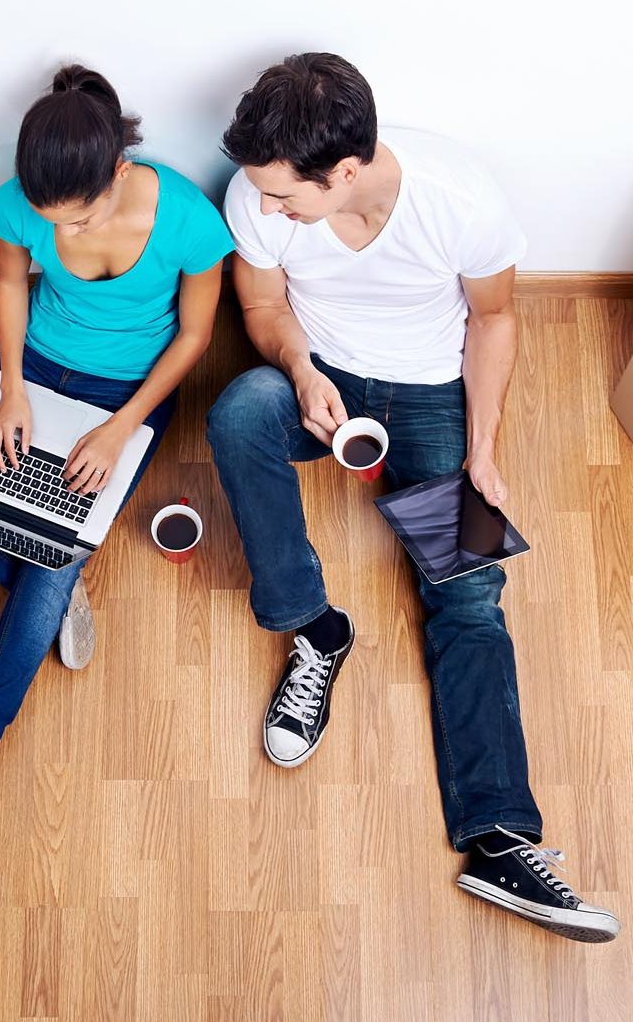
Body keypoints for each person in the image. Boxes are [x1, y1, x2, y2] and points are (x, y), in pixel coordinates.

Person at [207, 52, 620, 942]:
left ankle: (499, 840)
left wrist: (481, 454)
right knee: (241, 411)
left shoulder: (460, 202)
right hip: (323, 380)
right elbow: (264, 305)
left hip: (430, 393)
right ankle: (314, 627)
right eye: (263, 196)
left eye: (285, 198)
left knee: (469, 597)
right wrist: (299, 369)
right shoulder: (258, 194)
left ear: (345, 171)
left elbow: (495, 320)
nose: (265, 210)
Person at [0, 64, 233, 843]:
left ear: (119, 173)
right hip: (31, 366)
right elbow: (12, 286)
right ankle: (41, 574)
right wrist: (13, 389)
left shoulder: (189, 220)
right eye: (52, 221)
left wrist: (122, 426)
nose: (69, 235)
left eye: (81, 219)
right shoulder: (23, 204)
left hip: (124, 398)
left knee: (54, 562)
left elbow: (194, 334)